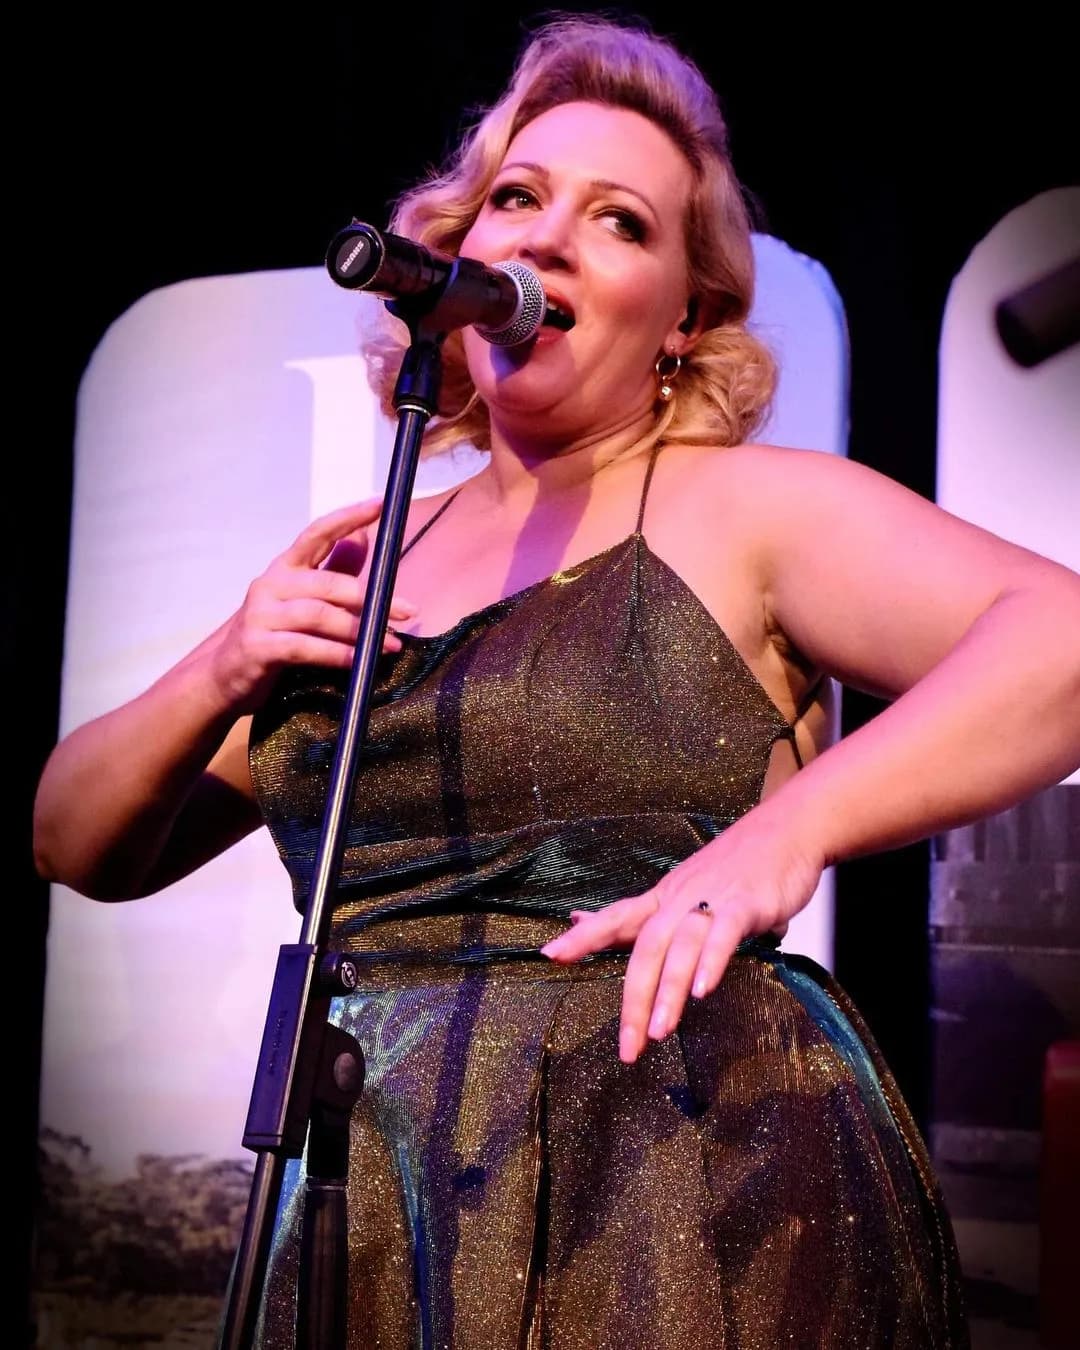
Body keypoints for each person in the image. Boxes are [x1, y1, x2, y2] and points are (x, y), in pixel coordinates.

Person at [33, 12, 1080, 1349]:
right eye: (517, 198)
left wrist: (784, 833)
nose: (544, 234)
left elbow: (1058, 637)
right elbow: (74, 838)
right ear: (458, 256)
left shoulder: (744, 507)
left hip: (688, 1181)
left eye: (619, 220)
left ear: (684, 316)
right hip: (385, 1189)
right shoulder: (371, 542)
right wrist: (224, 660)